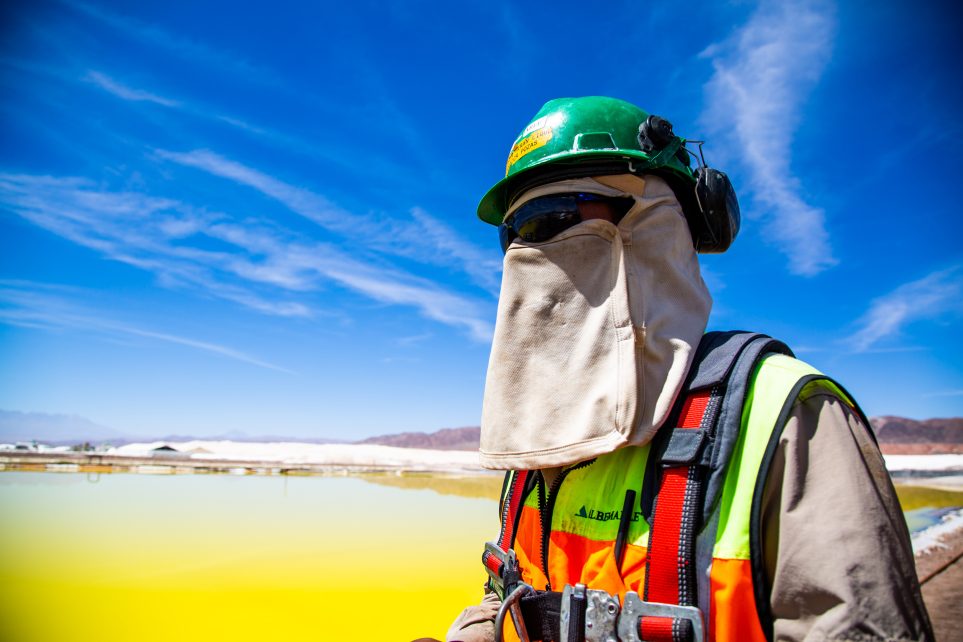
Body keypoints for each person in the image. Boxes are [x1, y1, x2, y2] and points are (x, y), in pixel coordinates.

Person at [445, 97, 934, 642]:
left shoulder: (790, 417)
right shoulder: (535, 440)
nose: (522, 252)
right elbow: (506, 594)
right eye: (511, 234)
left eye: (550, 220)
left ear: (656, 225)